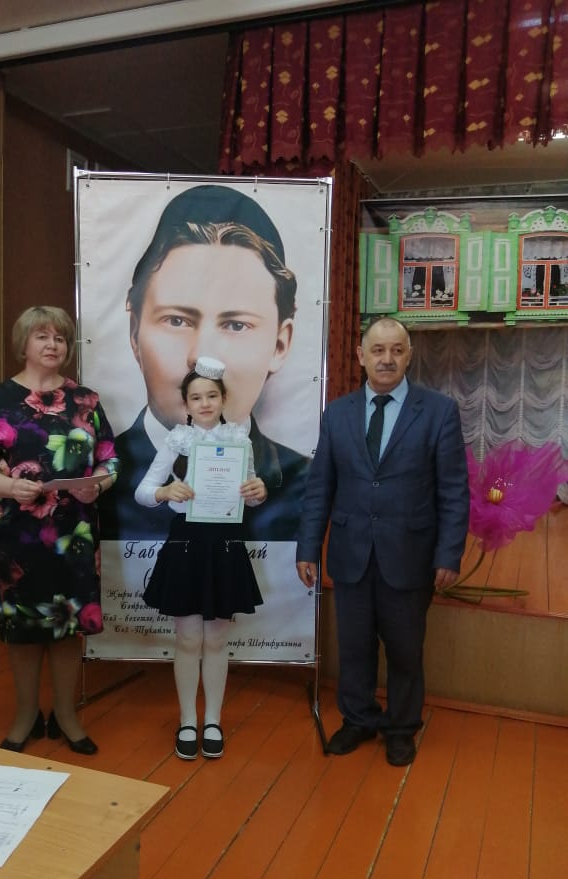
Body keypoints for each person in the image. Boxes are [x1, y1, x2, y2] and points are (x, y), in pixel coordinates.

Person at [295, 316, 469, 766]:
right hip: (351, 552)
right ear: (361, 356)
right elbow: (320, 487)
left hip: (410, 555)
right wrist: (308, 547)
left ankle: (401, 727)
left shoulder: (438, 412)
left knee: (405, 649)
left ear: (409, 355)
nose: (386, 359)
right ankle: (358, 719)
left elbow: (453, 490)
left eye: (396, 350)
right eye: (377, 350)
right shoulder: (337, 414)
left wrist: (449, 553)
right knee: (354, 647)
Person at [99, 183, 309, 543]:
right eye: (177, 320)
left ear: (279, 344)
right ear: (134, 332)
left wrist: (256, 491)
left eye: (236, 325)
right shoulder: (106, 475)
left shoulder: (300, 480)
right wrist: (163, 491)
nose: (202, 356)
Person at [0, 306, 119, 755]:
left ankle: (66, 716)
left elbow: (109, 459)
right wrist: (11, 487)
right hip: (17, 535)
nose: (52, 345)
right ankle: (26, 715)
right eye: (42, 336)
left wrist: (97, 485)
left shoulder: (86, 400)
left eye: (60, 338)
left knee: (69, 625)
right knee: (23, 627)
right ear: (24, 344)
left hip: (75, 534)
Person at [136, 357, 267, 759]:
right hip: (187, 544)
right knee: (189, 638)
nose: (205, 403)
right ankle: (187, 720)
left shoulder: (240, 440)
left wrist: (258, 491)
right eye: (197, 397)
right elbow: (143, 491)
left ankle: (213, 719)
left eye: (212, 396)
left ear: (223, 399)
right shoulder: (177, 441)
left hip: (224, 543)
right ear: (187, 404)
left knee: (217, 638)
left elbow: (251, 495)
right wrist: (164, 493)